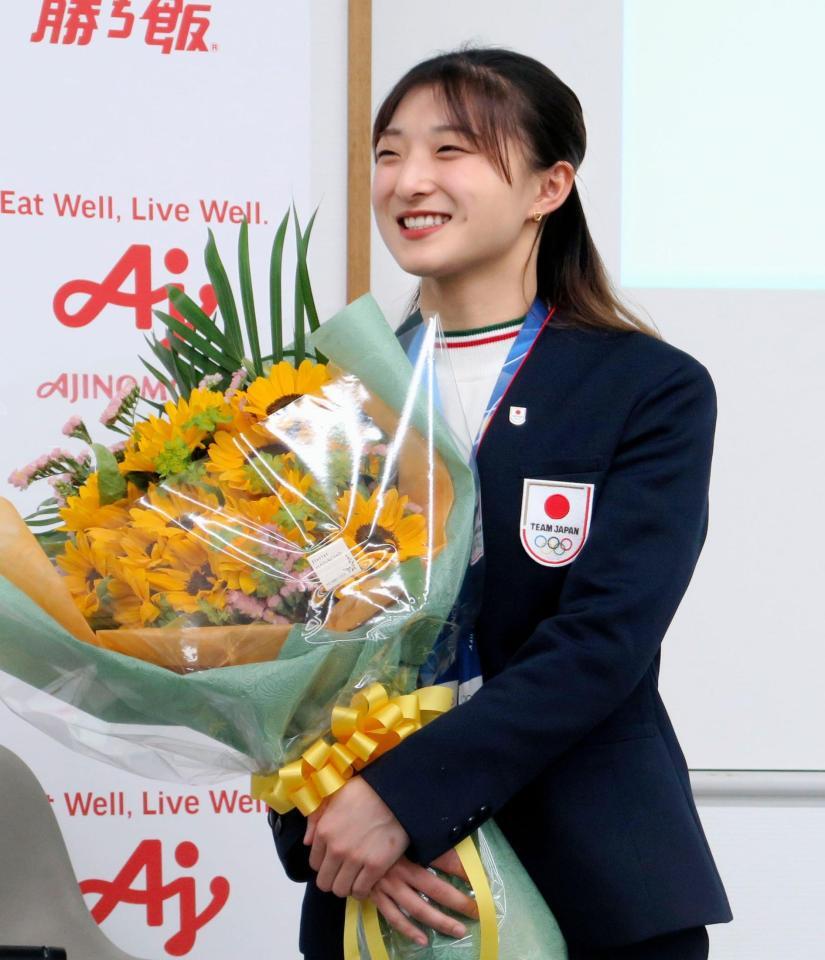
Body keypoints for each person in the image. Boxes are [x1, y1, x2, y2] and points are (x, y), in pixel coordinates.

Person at [270, 47, 733, 959]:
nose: (409, 181)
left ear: (547, 186)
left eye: (452, 151)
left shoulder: (645, 388)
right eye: (390, 152)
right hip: (379, 893)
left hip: (595, 877)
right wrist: (334, 819)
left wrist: (400, 801)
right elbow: (269, 636)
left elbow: (603, 641)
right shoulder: (321, 397)